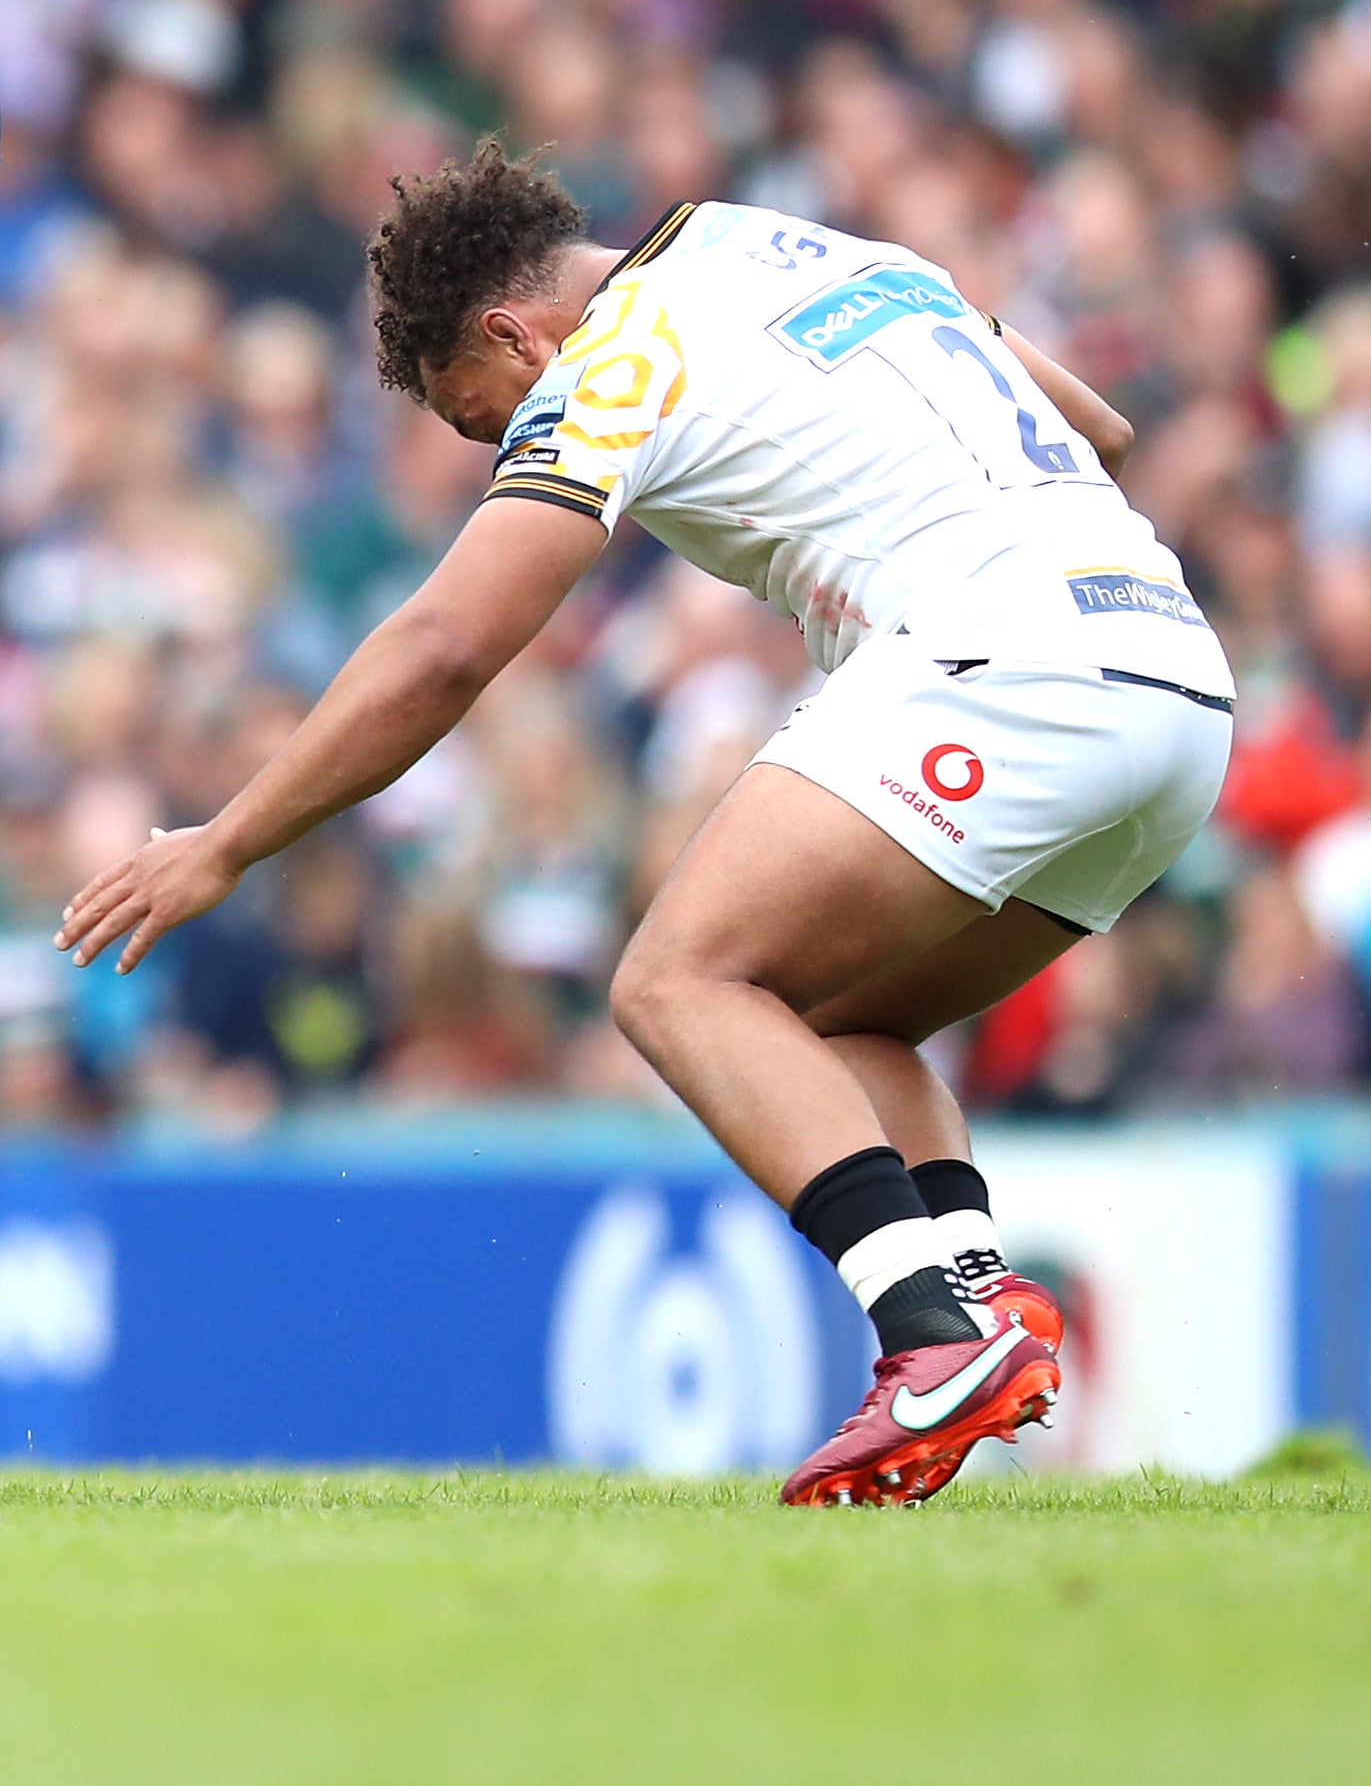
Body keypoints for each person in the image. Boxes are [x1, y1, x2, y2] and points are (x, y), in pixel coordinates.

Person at [60, 151, 1228, 1507]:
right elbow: (1104, 432)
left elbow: (446, 645)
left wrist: (229, 839)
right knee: (833, 1023)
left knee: (679, 979)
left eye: (479, 415)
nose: (502, 443)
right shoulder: (804, 251)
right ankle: (976, 1290)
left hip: (1004, 663)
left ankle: (925, 1339)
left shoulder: (611, 355)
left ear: (512, 332)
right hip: (1175, 683)